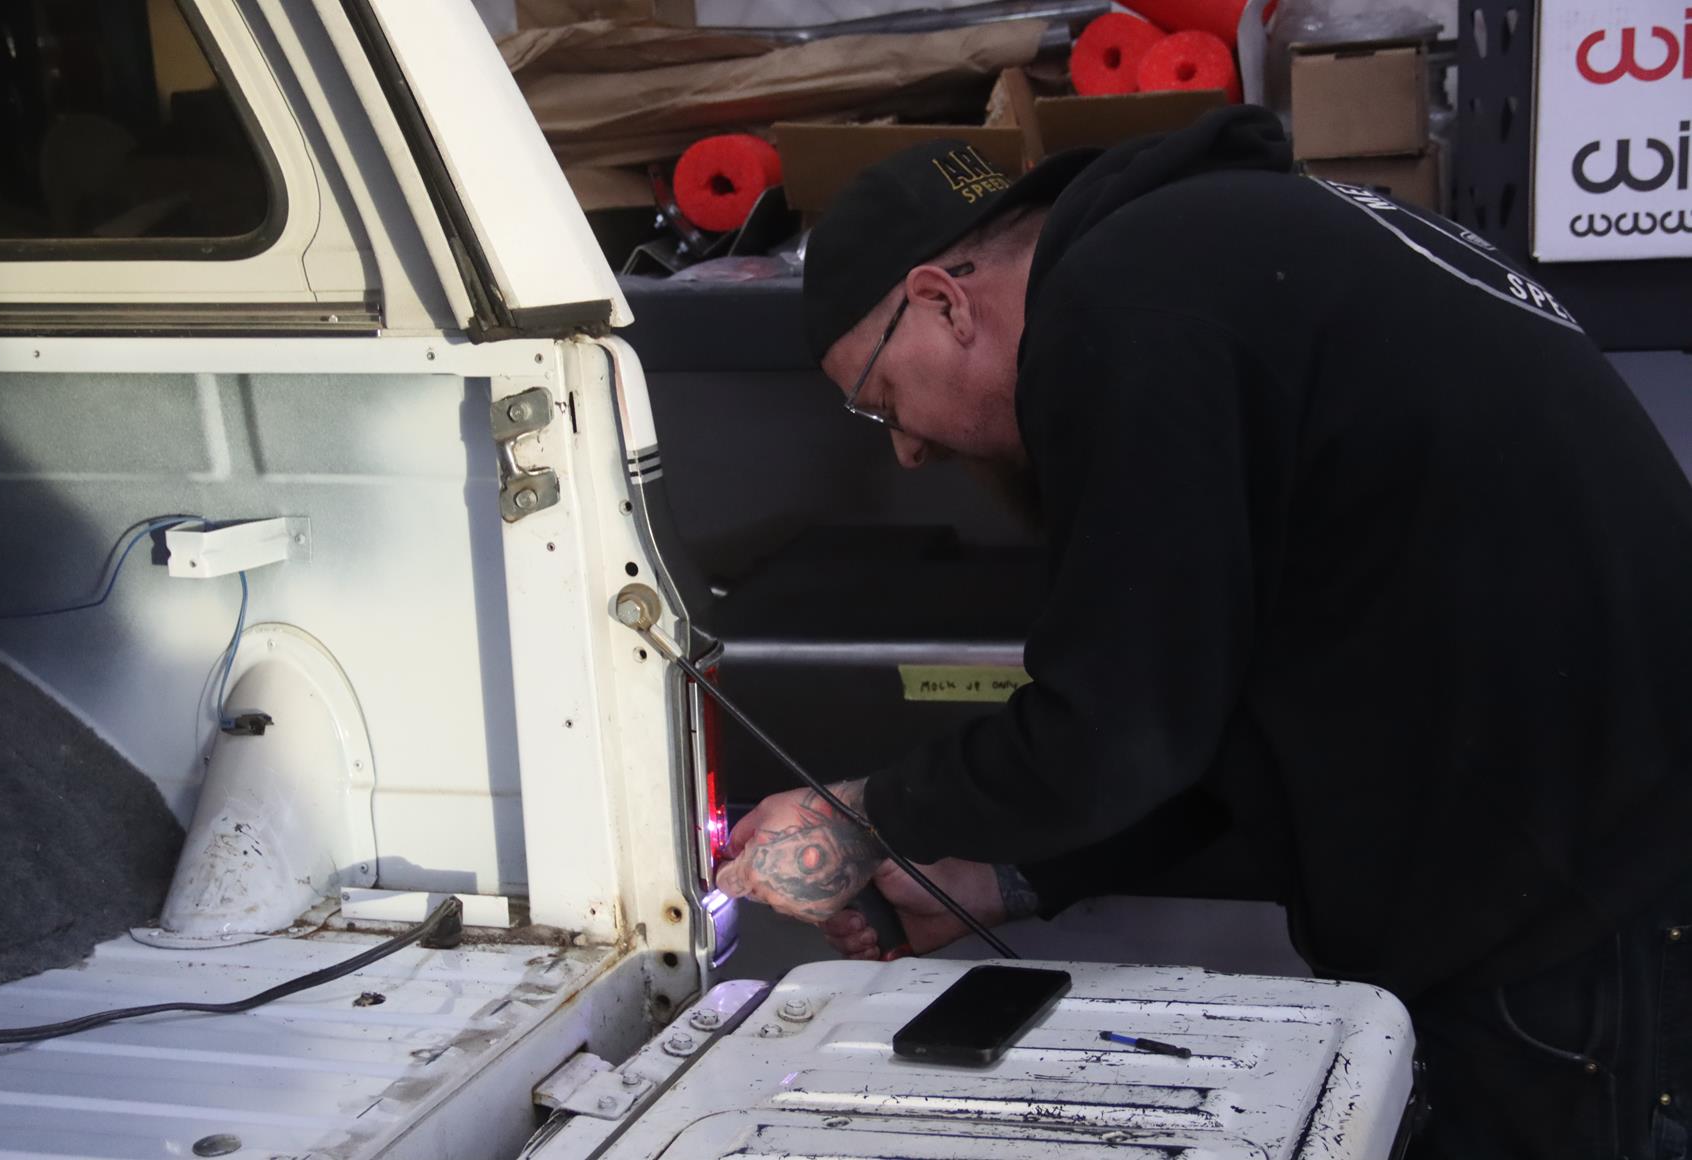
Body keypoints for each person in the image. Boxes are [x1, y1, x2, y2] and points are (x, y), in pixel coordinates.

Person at [713, 106, 1692, 1159]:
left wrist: (861, 816)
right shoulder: (1223, 249)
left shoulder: (1125, 300)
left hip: (1577, 917)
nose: (905, 450)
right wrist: (1007, 879)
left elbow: (1118, 725)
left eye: (878, 399)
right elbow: (1218, 692)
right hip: (1595, 872)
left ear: (942, 302)